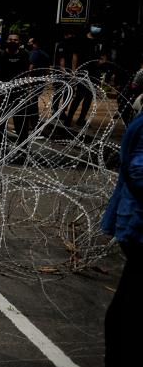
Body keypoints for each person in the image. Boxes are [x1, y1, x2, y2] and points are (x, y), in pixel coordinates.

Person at [101, 107, 143, 366]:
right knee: (133, 303)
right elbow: (139, 172)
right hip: (138, 224)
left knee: (131, 297)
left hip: (135, 220)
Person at [0, 33, 31, 159]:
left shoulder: (24, 55)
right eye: (10, 39)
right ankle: (2, 146)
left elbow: (28, 73)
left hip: (20, 91)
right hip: (3, 92)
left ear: (19, 42)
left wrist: (29, 90)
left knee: (21, 122)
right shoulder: (1, 55)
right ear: (7, 41)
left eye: (15, 40)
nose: (13, 41)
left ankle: (22, 148)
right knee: (2, 121)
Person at [65, 23, 105, 127]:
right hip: (82, 71)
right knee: (79, 96)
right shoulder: (81, 40)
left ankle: (81, 119)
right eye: (95, 25)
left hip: (95, 72)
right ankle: (69, 119)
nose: (96, 28)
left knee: (89, 97)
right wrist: (74, 71)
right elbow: (75, 56)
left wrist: (101, 62)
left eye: (98, 26)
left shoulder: (100, 41)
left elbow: (104, 56)